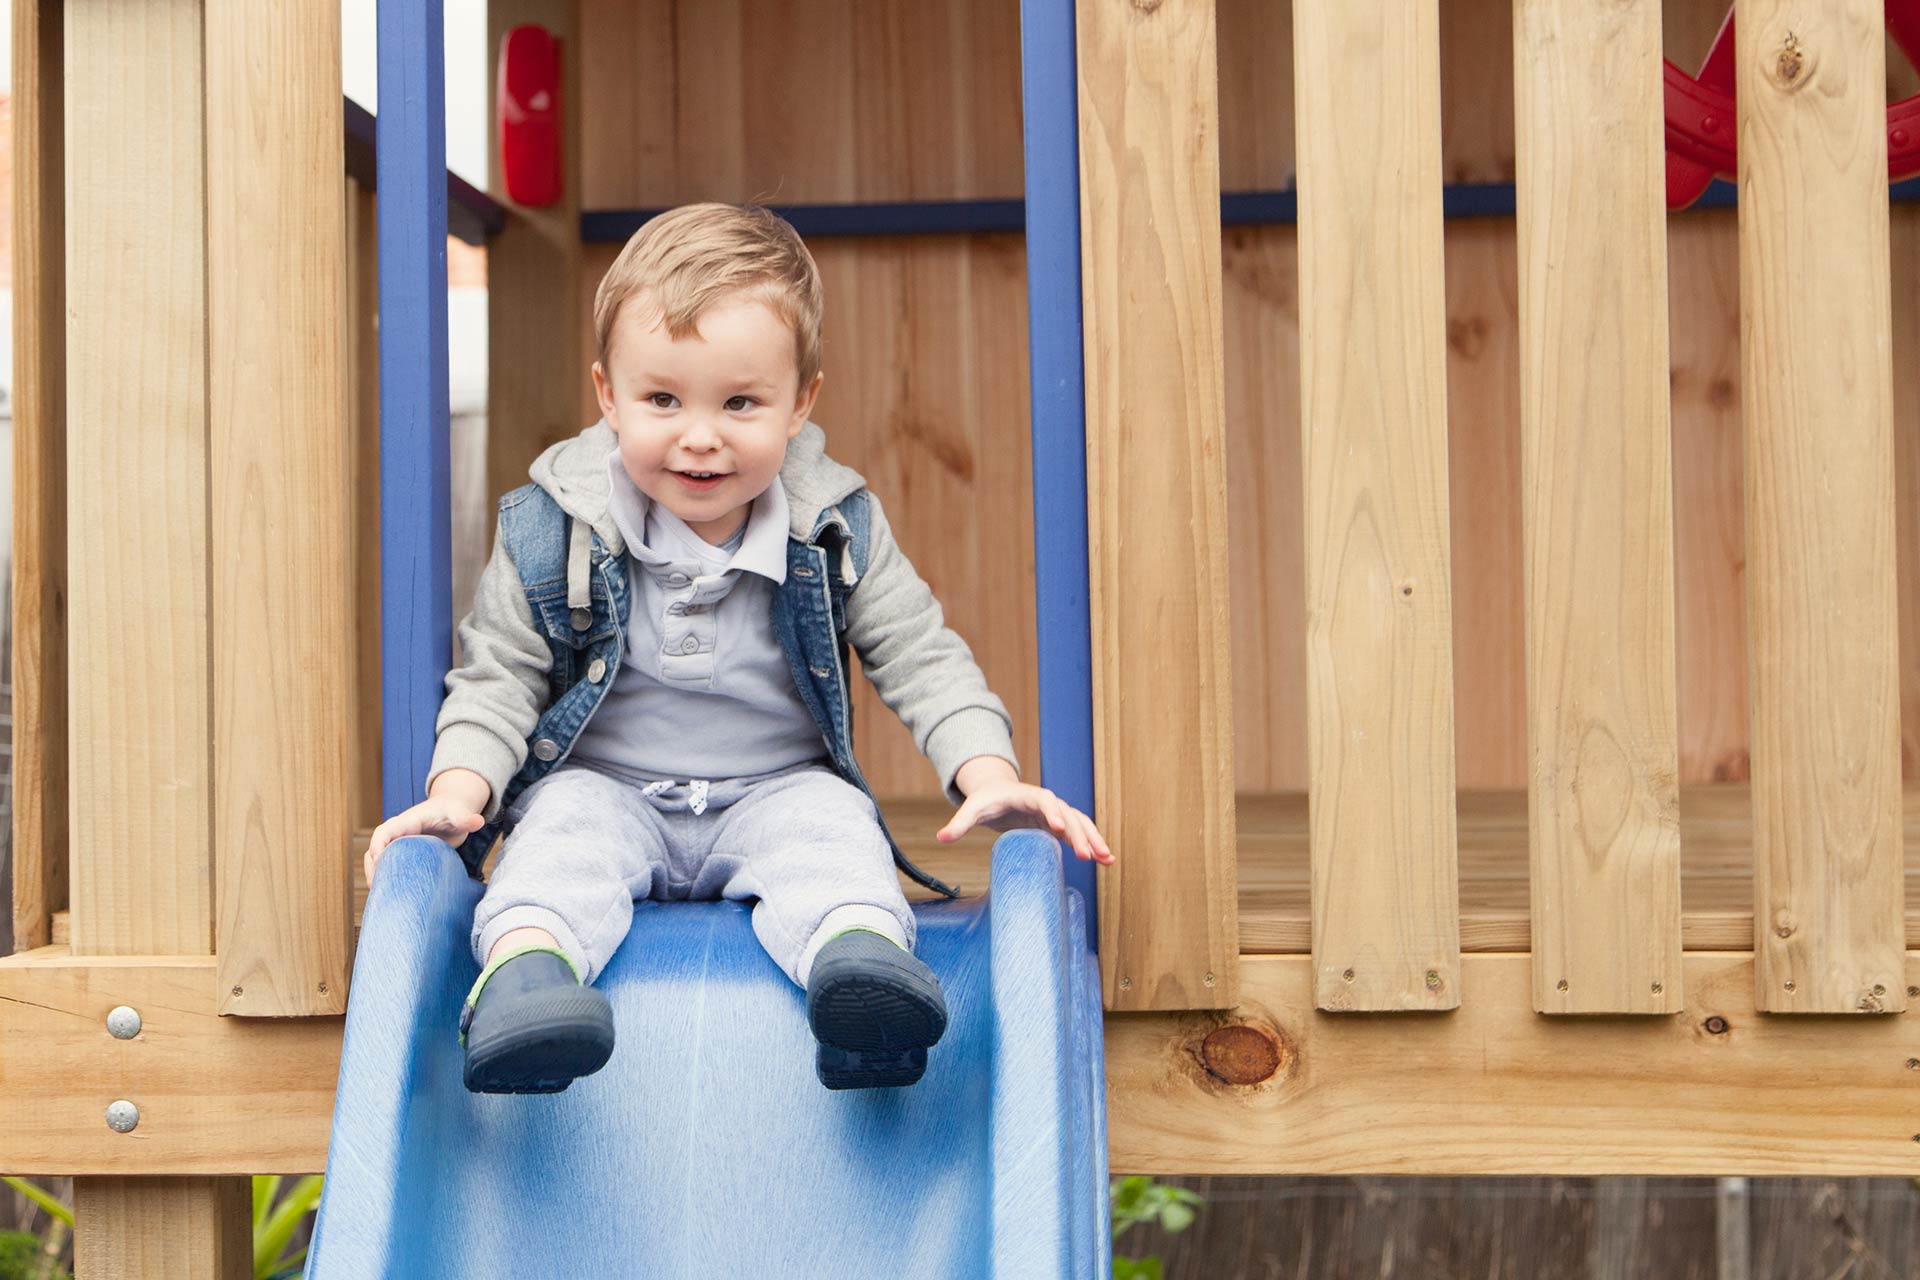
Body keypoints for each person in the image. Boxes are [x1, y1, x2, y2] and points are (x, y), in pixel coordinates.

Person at [364, 202, 1113, 1095]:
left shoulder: (831, 525)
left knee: (834, 833)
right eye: (663, 400)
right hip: (609, 788)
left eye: (742, 403)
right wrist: (459, 792)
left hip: (775, 788)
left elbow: (919, 652)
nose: (701, 435)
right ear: (608, 394)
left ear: (801, 404)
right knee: (556, 841)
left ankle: (860, 984)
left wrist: (986, 773)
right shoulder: (553, 526)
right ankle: (526, 985)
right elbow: (498, 675)